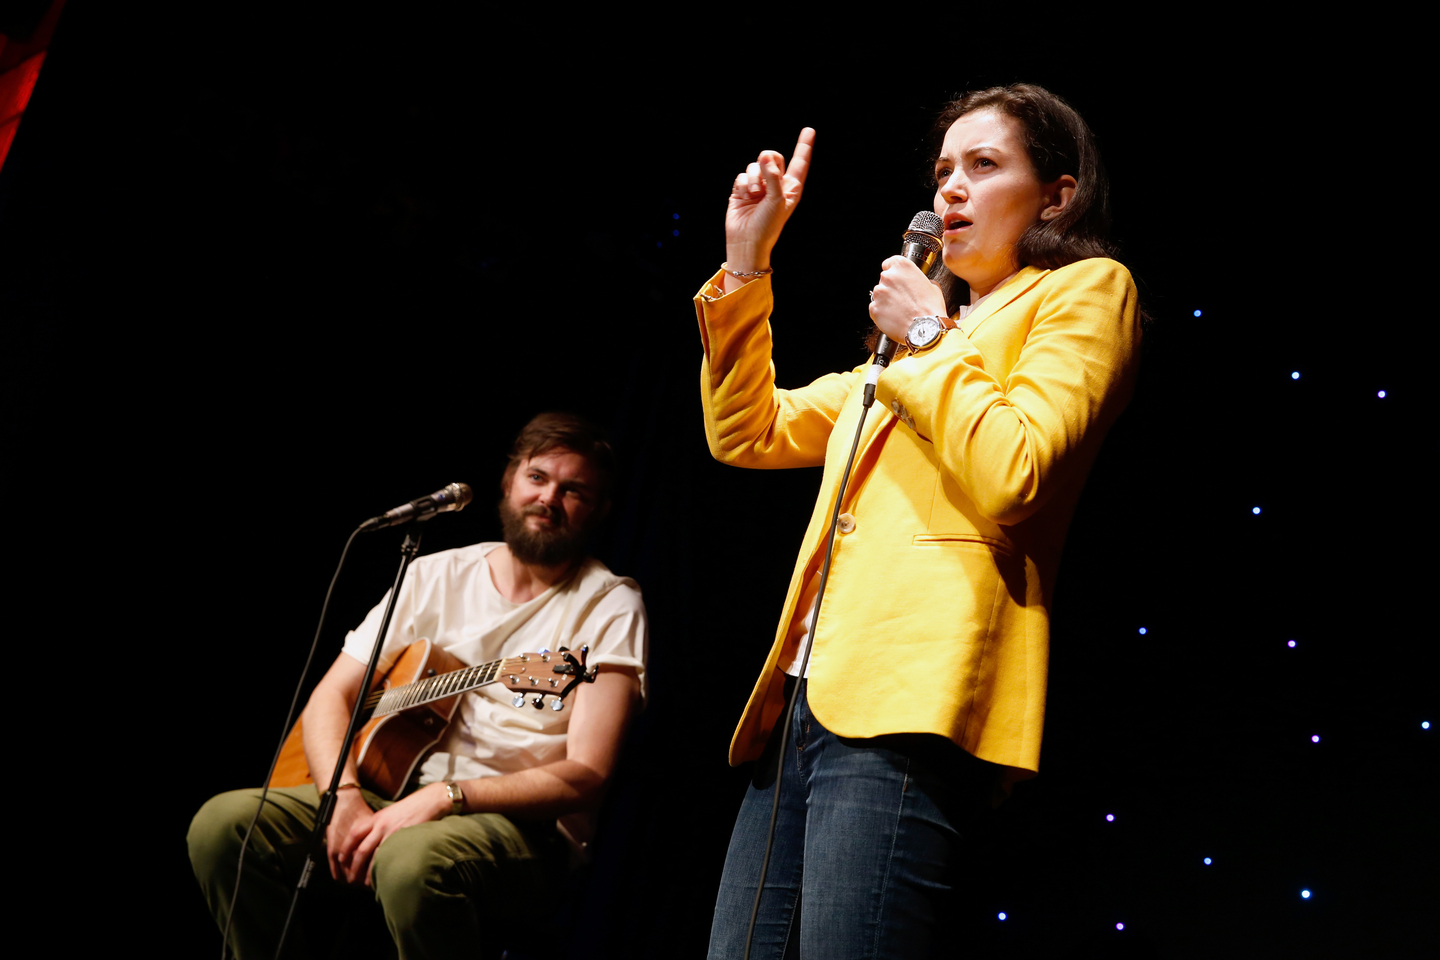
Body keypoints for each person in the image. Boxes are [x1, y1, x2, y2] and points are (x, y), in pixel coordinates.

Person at [697, 84, 1142, 958]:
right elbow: (746, 432)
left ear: (1056, 194)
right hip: (802, 693)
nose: (951, 191)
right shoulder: (905, 349)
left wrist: (933, 337)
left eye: (984, 166)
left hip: (913, 694)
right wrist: (747, 264)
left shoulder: (1083, 293)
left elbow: (1018, 470)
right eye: (943, 170)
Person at [189, 412, 648, 960]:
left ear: (599, 511)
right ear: (508, 482)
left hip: (520, 830)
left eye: (573, 490)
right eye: (538, 478)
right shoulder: (435, 574)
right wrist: (344, 797)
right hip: (382, 791)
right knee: (223, 827)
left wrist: (447, 796)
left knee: (410, 863)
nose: (549, 498)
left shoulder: (609, 606)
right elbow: (332, 697)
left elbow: (587, 775)